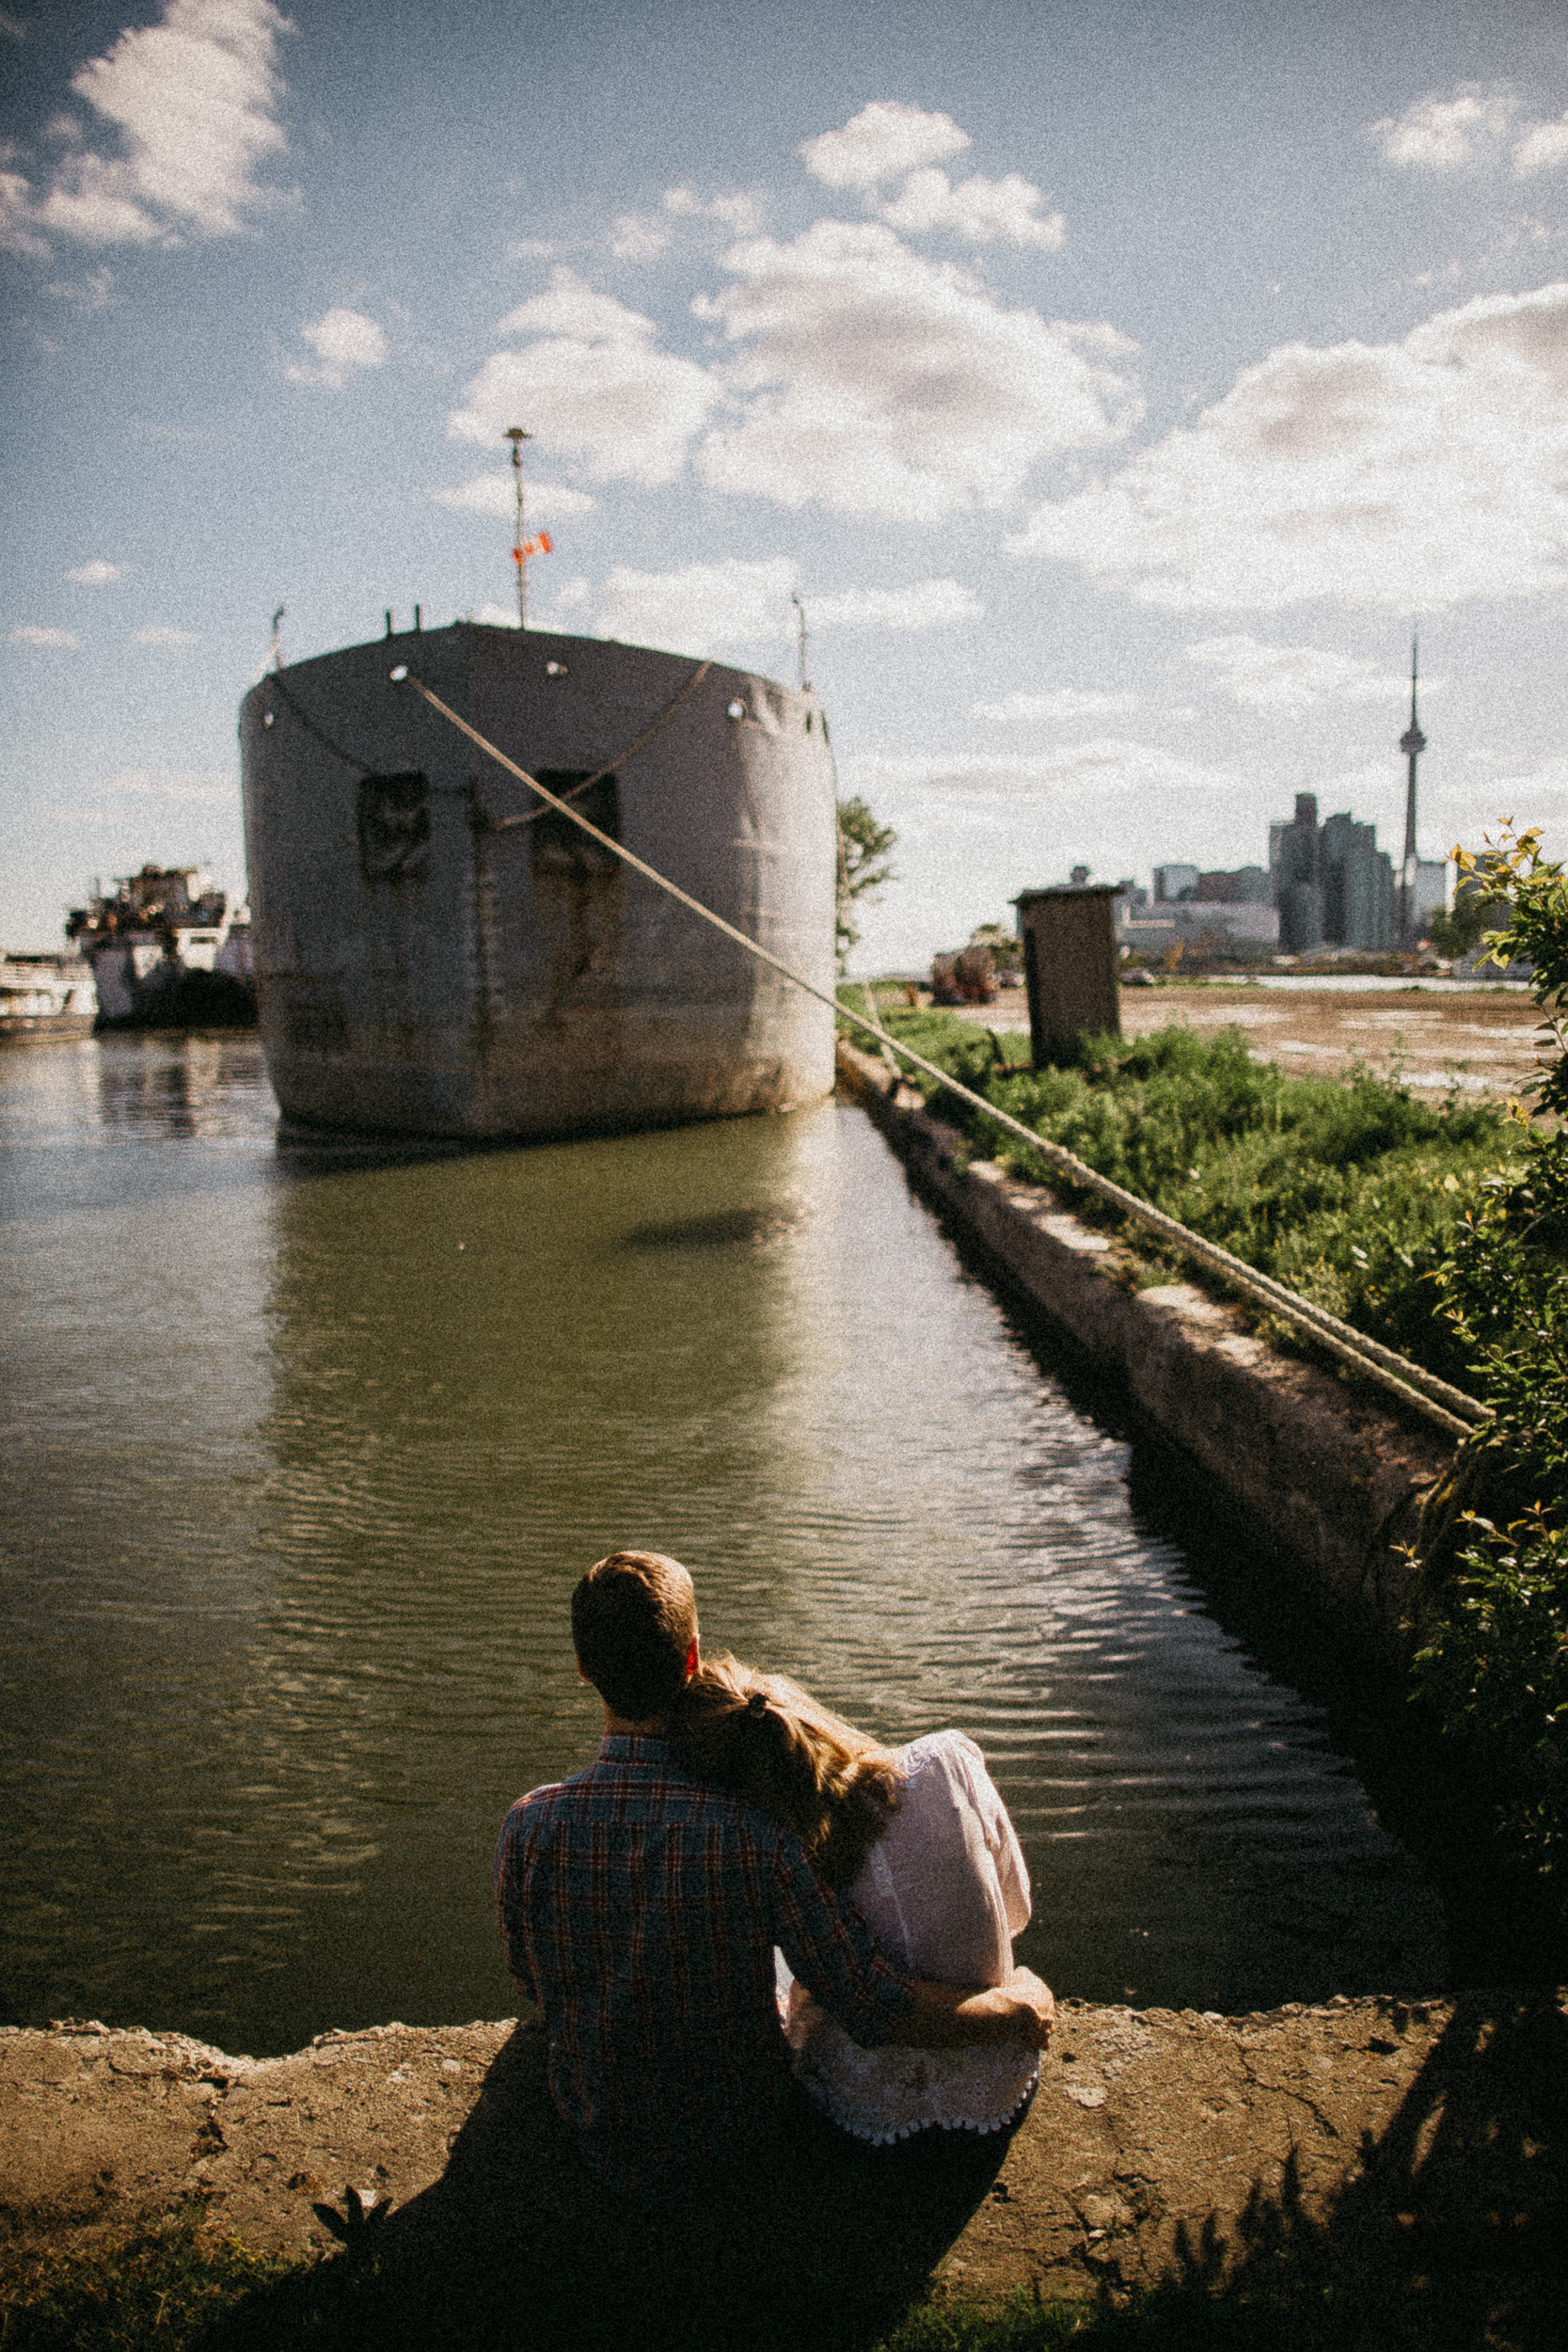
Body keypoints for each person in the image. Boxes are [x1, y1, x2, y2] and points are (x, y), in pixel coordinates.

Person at [493, 1549, 1054, 2198]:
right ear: (690, 1658)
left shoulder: (530, 1826)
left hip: (597, 2131)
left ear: (583, 1670)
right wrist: (1016, 2008)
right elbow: (872, 2005)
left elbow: (531, 1983)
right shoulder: (755, 1833)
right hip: (738, 2135)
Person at [668, 1656, 1038, 2145]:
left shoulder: (780, 1857)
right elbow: (1016, 1911)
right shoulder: (948, 1760)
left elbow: (865, 2002)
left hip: (862, 2106)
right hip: (995, 2082)